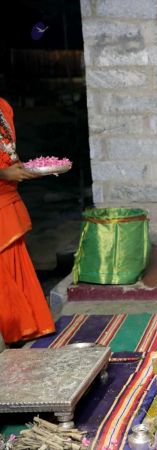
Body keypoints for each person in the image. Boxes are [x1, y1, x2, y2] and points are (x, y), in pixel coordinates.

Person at [0, 97, 55, 344]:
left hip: (6, 195)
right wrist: (4, 173)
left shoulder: (3, 107)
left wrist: (16, 168)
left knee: (12, 259)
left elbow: (7, 152)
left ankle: (21, 327)